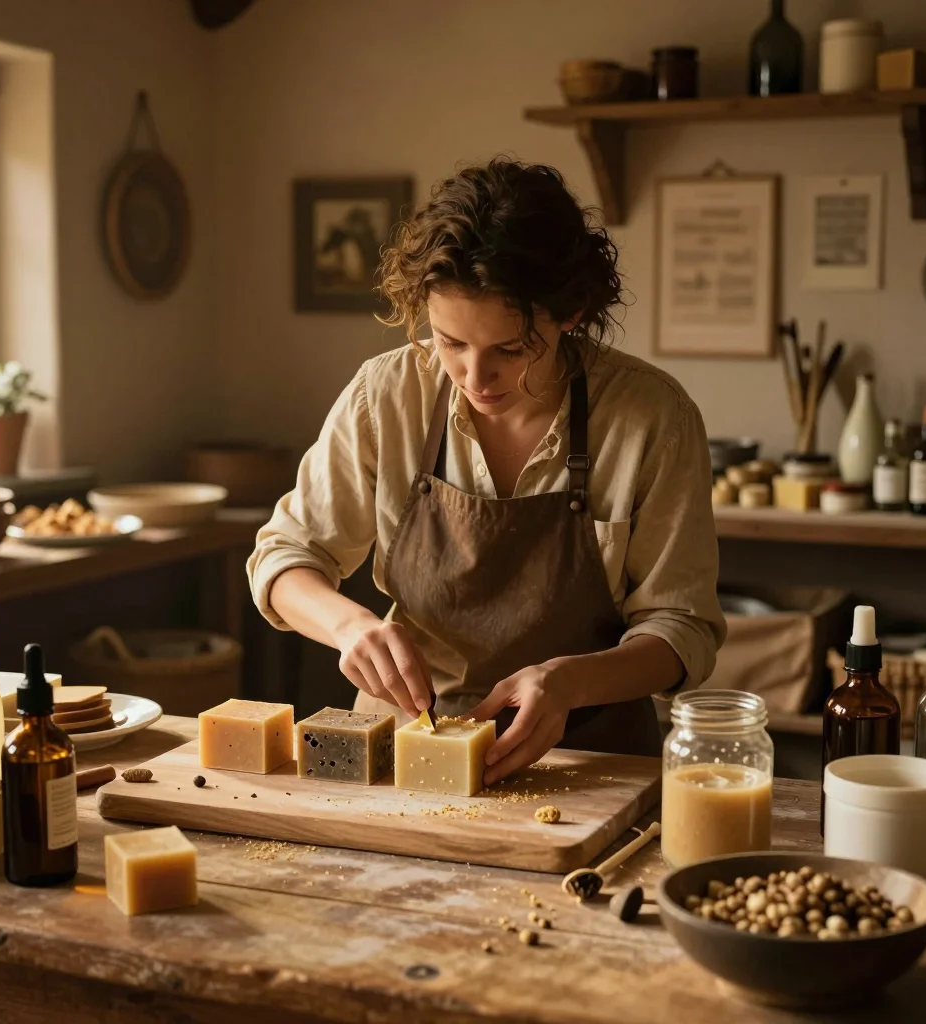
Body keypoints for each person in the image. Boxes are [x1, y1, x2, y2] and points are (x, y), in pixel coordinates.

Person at [248, 158, 725, 786]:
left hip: (592, 763)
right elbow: (285, 556)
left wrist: (570, 681)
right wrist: (348, 625)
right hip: (404, 751)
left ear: (571, 312)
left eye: (510, 348)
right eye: (450, 342)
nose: (475, 378)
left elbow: (682, 626)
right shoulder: (386, 395)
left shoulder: (651, 416)